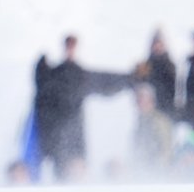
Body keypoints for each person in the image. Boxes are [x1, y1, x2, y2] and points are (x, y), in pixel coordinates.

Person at [32, 35, 136, 182]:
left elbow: (105, 82)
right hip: (55, 138)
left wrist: (130, 79)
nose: (70, 49)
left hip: (75, 138)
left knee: (75, 180)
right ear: (64, 47)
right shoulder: (53, 74)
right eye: (68, 46)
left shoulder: (79, 74)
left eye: (73, 46)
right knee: (59, 180)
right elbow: (41, 93)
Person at [133, 29, 179, 120]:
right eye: (155, 44)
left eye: (159, 44)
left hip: (164, 112)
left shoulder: (169, 65)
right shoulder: (146, 65)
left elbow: (172, 90)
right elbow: (138, 86)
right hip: (146, 112)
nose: (157, 47)